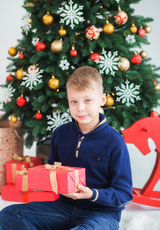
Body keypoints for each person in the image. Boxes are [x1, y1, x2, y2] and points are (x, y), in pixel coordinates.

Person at [0, 66, 133, 230]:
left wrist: (92, 194)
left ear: (102, 100)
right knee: (9, 214)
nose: (80, 108)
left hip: (101, 214)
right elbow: (52, 172)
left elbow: (124, 194)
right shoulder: (60, 134)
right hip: (63, 208)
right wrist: (40, 177)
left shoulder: (115, 141)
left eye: (88, 100)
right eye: (74, 101)